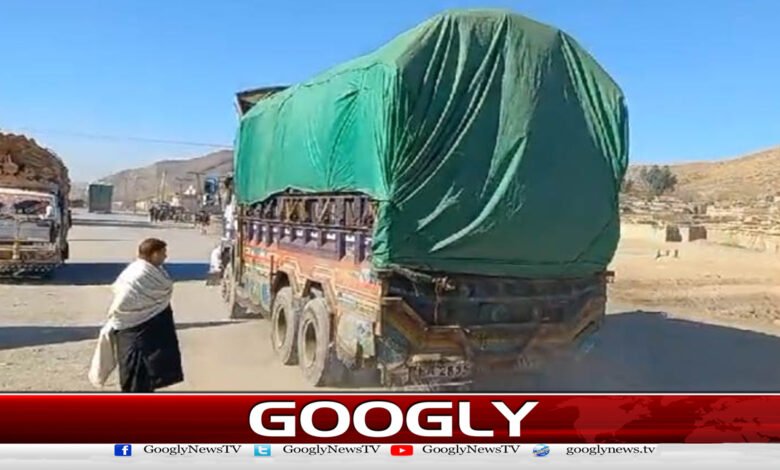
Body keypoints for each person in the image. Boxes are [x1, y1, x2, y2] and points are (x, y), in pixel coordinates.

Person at [88, 238, 184, 392]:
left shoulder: (154, 271)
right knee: (134, 376)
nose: (165, 256)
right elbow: (122, 302)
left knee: (147, 376)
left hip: (149, 334)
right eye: (162, 253)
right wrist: (135, 315)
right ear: (153, 254)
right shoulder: (138, 274)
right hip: (133, 333)